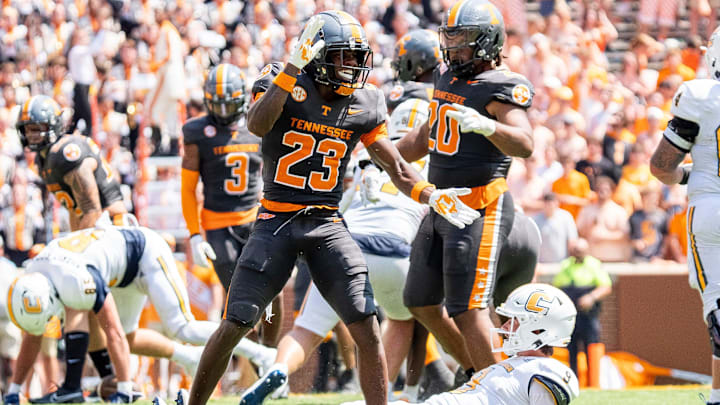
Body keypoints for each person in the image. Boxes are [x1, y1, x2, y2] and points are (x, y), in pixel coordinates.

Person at [186, 11, 478, 405]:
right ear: (316, 54)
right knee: (237, 320)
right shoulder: (283, 80)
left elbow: (393, 165)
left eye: (357, 57)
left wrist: (430, 194)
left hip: (326, 222)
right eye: (343, 56)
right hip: (276, 218)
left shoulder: (364, 101)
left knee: (366, 326)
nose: (352, 66)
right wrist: (291, 68)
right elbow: (256, 124)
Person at [396, 0, 534, 375]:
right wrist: (383, 156)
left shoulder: (504, 84)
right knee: (420, 301)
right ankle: (477, 371)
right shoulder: (448, 77)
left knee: (468, 309)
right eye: (451, 38)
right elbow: (428, 135)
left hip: (479, 207)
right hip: (442, 204)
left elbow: (525, 143)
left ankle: (502, 393)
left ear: (488, 41)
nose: (454, 47)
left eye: (465, 40)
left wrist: (488, 126)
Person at [4, 225, 275, 405]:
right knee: (130, 338)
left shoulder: (74, 282)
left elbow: (111, 330)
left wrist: (123, 389)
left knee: (183, 328)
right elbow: (33, 333)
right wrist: (14, 392)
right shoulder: (34, 280)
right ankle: (190, 358)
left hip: (144, 252)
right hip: (118, 272)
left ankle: (261, 354)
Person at [342, 283, 580, 405]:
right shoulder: (515, 365)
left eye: (515, 322)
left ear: (539, 329)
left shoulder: (550, 372)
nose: (506, 328)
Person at [648, 26, 720, 405]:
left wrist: (686, 174)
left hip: (711, 207)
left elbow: (661, 166)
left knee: (718, 306)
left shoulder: (700, 96)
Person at [16, 95, 130, 230]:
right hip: (94, 226)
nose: (31, 135)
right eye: (27, 129)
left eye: (38, 128)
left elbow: (92, 210)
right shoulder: (43, 159)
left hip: (111, 225)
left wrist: (77, 247)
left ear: (54, 124)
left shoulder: (66, 153)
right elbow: (77, 211)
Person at [551, 238, 612, 374]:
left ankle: (594, 380)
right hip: (570, 316)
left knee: (591, 347)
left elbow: (605, 286)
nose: (577, 253)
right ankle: (573, 379)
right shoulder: (566, 265)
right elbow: (557, 286)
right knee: (570, 349)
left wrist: (590, 297)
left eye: (580, 251)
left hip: (588, 315)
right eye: (575, 250)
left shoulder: (594, 264)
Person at [386, 29, 440, 112]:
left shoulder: (409, 92)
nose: (400, 66)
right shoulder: (448, 88)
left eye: (401, 61)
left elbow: (389, 104)